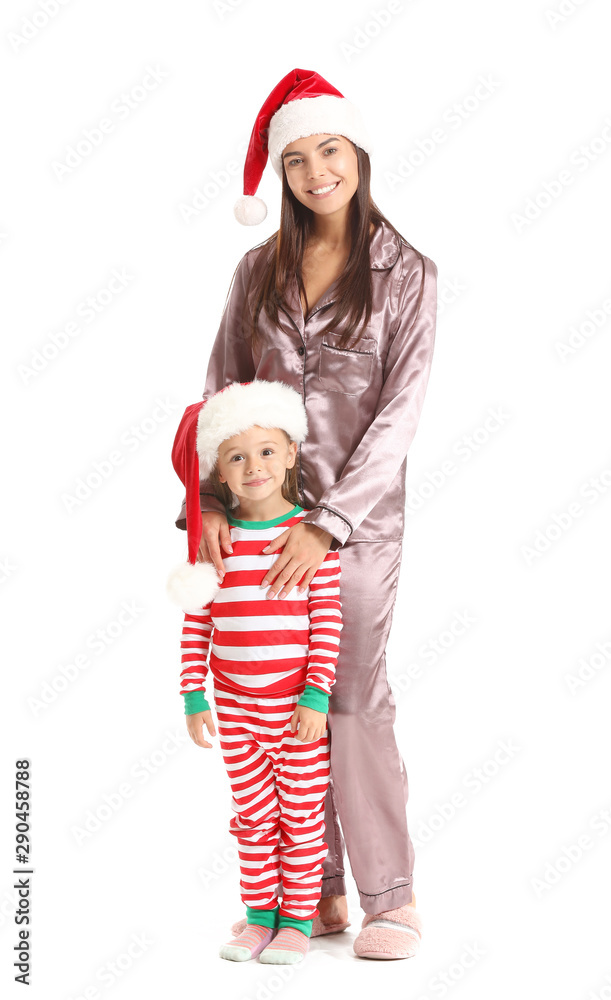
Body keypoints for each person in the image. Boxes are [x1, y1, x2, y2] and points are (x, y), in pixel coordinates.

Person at [175, 67, 437, 960]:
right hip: (254, 525)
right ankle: (307, 890)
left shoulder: (408, 274)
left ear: (356, 152)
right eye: (294, 159)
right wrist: (208, 502)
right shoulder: (256, 271)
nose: (315, 171)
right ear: (280, 177)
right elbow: (220, 391)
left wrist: (325, 523)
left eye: (328, 149)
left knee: (350, 696)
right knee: (274, 699)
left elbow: (400, 414)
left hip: (351, 534)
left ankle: (389, 898)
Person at [167, 379, 343, 965]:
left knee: (299, 817)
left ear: (292, 452)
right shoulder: (217, 543)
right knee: (254, 818)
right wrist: (195, 696)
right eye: (236, 456)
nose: (254, 466)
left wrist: (315, 697)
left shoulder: (311, 543)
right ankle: (258, 916)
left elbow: (327, 622)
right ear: (219, 472)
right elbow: (198, 625)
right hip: (237, 708)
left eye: (267, 450)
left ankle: (297, 920)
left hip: (294, 711)